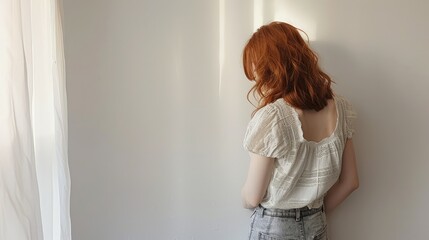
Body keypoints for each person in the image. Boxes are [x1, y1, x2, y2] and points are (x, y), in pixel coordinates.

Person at [241, 21, 359, 240]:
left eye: (256, 67)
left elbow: (253, 195)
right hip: (318, 225)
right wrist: (312, 213)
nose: (256, 78)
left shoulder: (273, 117)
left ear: (270, 67)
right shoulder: (341, 109)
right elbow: (350, 181)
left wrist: (245, 201)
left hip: (274, 227)